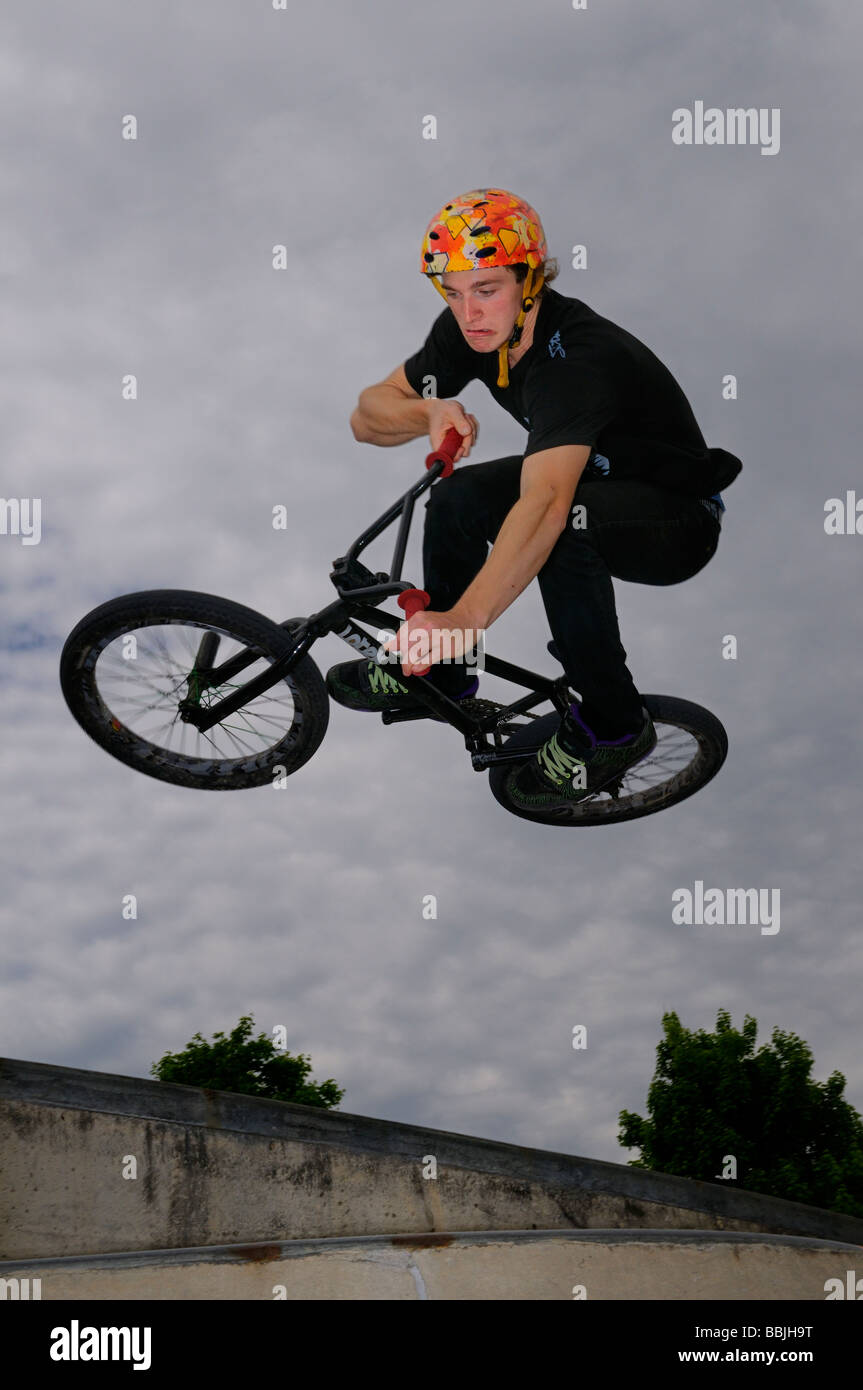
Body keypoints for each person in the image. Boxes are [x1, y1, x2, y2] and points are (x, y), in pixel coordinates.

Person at [328, 188, 742, 811]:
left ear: (530, 278)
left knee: (564, 527)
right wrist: (427, 410)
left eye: (486, 289)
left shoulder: (575, 359)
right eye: (453, 292)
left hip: (676, 519)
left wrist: (465, 617)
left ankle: (615, 724)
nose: (469, 314)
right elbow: (366, 418)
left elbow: (546, 502)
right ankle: (442, 673)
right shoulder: (470, 330)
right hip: (593, 482)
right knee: (459, 495)